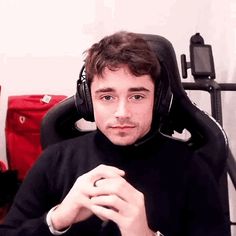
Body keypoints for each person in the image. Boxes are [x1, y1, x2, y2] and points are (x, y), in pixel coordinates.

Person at [0, 31, 227, 236]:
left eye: (137, 96)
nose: (122, 113)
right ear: (88, 101)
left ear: (157, 101)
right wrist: (57, 219)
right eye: (107, 97)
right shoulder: (54, 160)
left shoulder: (192, 169)